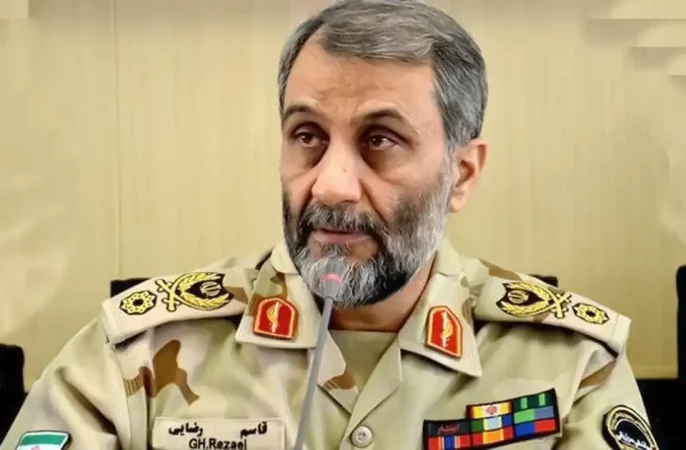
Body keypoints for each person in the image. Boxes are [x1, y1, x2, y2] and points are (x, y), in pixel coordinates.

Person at [1, 1, 657, 449]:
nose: (330, 184)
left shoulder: (572, 364)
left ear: (461, 173)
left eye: (381, 139)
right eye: (308, 135)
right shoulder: (132, 356)